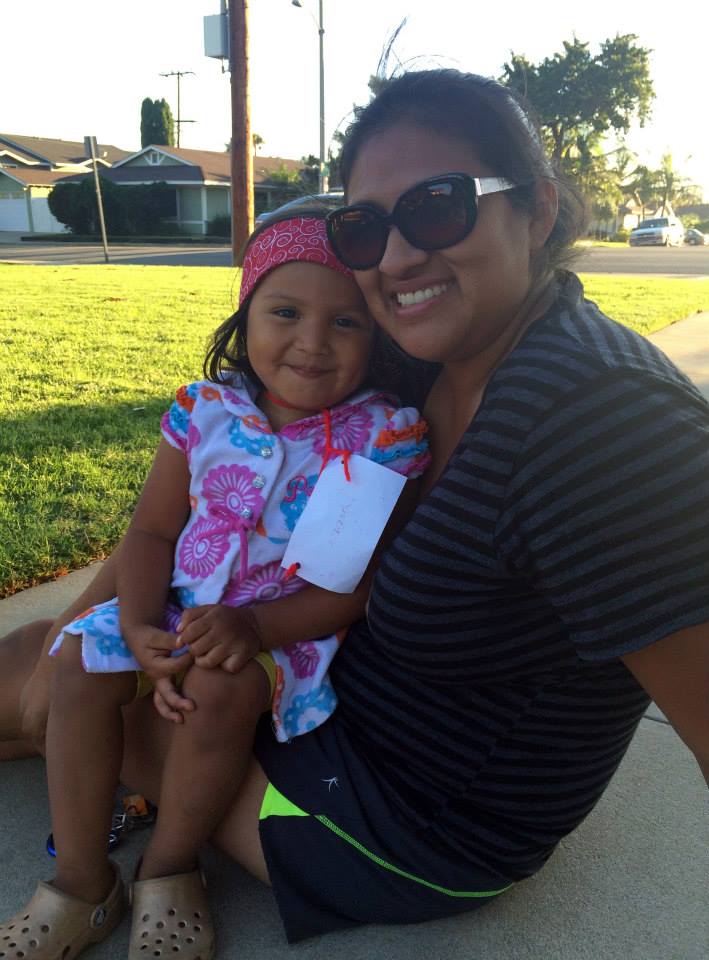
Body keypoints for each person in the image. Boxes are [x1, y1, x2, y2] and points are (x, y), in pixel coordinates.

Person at [2, 67, 708, 948]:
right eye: (365, 227)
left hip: (393, 821)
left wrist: (62, 674)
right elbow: (170, 515)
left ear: (536, 209)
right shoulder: (422, 358)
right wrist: (91, 625)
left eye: (439, 206)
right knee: (51, 662)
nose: (398, 256)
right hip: (324, 702)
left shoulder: (600, 426)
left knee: (50, 691)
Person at [0, 210, 429, 960]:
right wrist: (136, 627)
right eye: (285, 312)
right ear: (245, 313)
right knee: (74, 663)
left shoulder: (378, 438)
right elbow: (151, 534)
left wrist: (255, 630)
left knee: (222, 688)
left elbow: (349, 588)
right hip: (166, 610)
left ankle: (169, 867)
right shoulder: (204, 413)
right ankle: (81, 883)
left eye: (346, 323)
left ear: (377, 338)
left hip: (277, 632)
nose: (310, 342)